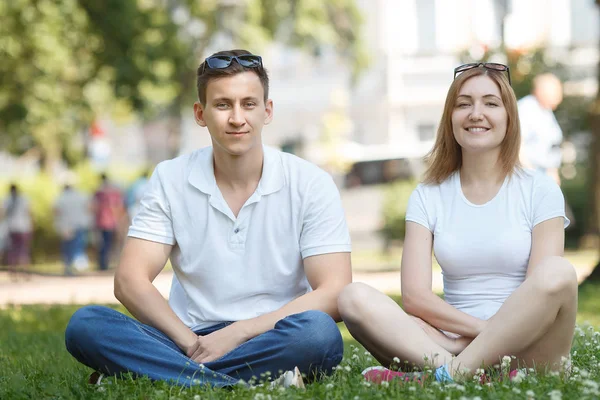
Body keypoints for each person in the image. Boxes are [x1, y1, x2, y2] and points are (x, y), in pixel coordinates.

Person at [65, 49, 352, 388]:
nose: (237, 118)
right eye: (222, 105)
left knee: (319, 335)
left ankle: (169, 375)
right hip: (187, 337)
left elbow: (334, 291)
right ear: (200, 114)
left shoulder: (310, 182)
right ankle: (245, 382)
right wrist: (192, 344)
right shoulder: (170, 178)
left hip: (274, 334)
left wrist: (238, 332)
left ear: (267, 111)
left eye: (248, 104)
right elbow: (129, 280)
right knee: (87, 325)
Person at [338, 63, 577, 384]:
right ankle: (468, 372)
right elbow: (415, 297)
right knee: (353, 297)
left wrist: (491, 339)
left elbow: (540, 293)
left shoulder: (541, 189)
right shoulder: (427, 195)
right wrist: (477, 336)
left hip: (529, 344)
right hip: (450, 341)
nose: (476, 113)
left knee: (558, 271)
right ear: (450, 118)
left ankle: (447, 374)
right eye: (464, 104)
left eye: (491, 103)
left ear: (509, 117)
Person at [518, 73, 564, 185]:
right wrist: (530, 176)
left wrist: (552, 171)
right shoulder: (526, 109)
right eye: (556, 91)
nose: (559, 95)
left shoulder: (545, 110)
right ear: (540, 90)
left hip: (543, 175)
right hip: (528, 176)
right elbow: (517, 144)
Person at [54, 184, 92, 276]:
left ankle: (68, 267)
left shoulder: (60, 198)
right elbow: (88, 208)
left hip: (66, 226)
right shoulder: (81, 196)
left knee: (67, 248)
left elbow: (56, 211)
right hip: (79, 225)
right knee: (78, 246)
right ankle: (79, 267)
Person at [1, 184, 33, 280]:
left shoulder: (6, 200)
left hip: (11, 228)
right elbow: (29, 212)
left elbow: (2, 214)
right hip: (24, 227)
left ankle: (13, 273)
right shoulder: (24, 199)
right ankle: (25, 272)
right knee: (23, 250)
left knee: (13, 251)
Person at [92, 173, 124, 271]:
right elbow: (118, 207)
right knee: (109, 243)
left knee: (102, 243)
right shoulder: (114, 192)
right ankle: (105, 263)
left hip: (100, 221)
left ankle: (103, 263)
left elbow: (94, 207)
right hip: (111, 221)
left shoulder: (98, 193)